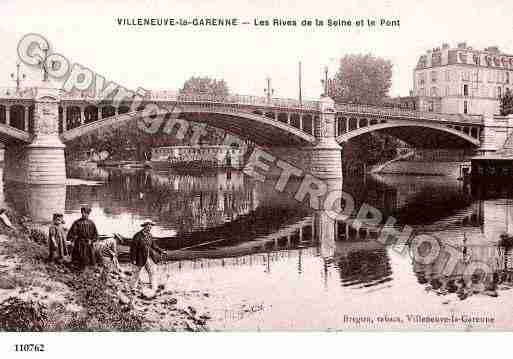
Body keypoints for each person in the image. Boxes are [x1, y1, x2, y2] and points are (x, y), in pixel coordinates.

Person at [129, 220, 165, 291]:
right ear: (144, 227)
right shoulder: (137, 236)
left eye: (150, 227)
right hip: (139, 258)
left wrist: (161, 251)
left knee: (152, 272)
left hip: (148, 257)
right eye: (148, 227)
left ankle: (154, 288)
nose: (149, 228)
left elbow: (153, 245)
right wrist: (133, 259)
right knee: (136, 273)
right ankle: (132, 288)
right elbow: (133, 249)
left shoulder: (150, 235)